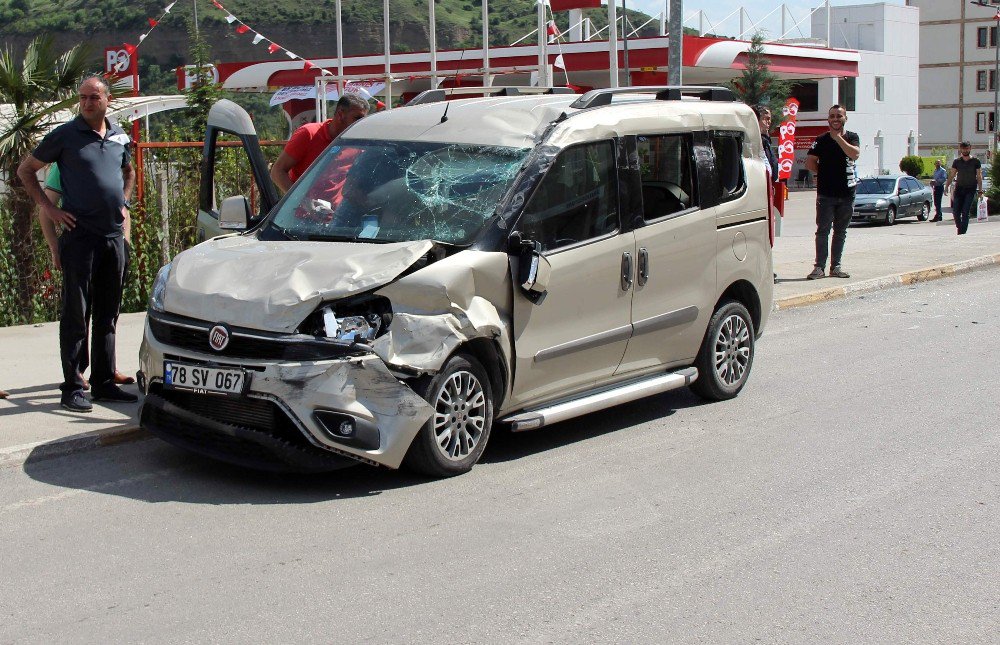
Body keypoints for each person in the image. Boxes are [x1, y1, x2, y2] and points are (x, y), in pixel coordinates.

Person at [16, 75, 137, 413]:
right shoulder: (65, 136)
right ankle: (72, 385)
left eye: (93, 97)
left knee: (108, 313)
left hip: (113, 236)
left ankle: (102, 382)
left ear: (106, 100)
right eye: (82, 98)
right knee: (75, 313)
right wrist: (50, 208)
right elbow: (26, 170)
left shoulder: (117, 135)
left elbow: (128, 172)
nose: (86, 103)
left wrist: (124, 202)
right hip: (80, 237)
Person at [39, 165, 135, 390]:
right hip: (80, 245)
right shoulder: (67, 159)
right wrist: (55, 249)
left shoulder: (111, 150)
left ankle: (106, 369)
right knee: (78, 312)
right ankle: (78, 371)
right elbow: (45, 209)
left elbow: (121, 206)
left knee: (109, 313)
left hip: (113, 245)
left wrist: (125, 244)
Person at [269, 94, 369, 194]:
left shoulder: (356, 141)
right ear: (341, 115)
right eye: (357, 118)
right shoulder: (308, 134)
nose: (361, 123)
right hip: (304, 207)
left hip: (337, 208)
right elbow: (277, 171)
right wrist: (299, 201)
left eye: (363, 119)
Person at [805, 104, 860, 280]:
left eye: (839, 116)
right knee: (822, 231)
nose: (835, 119)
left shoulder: (852, 137)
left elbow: (855, 154)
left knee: (840, 232)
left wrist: (838, 139)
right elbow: (810, 162)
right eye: (832, 116)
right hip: (825, 195)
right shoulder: (820, 140)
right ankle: (819, 267)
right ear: (828, 119)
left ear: (845, 118)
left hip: (847, 194)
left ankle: (835, 267)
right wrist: (822, 173)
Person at [752, 104, 779, 283]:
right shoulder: (753, 140)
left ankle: (768, 269)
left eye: (770, 119)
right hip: (757, 193)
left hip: (767, 190)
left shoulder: (766, 140)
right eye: (765, 118)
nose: (768, 122)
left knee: (769, 234)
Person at [945, 141, 982, 235]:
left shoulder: (975, 161)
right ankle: (960, 228)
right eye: (963, 148)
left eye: (967, 148)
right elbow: (952, 174)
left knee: (965, 211)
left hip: (970, 189)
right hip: (959, 189)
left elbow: (979, 176)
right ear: (960, 149)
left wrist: (980, 190)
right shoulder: (957, 162)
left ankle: (962, 232)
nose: (965, 150)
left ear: (970, 148)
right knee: (956, 212)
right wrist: (946, 186)